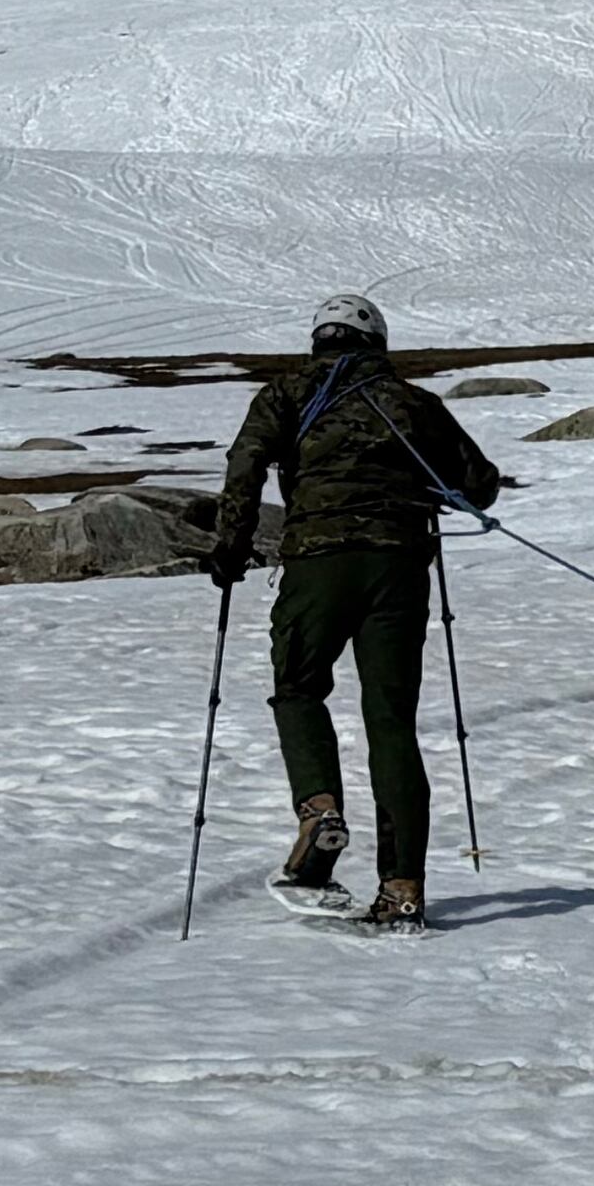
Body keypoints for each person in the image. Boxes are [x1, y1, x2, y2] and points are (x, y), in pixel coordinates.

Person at [204, 293, 503, 930]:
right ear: (378, 343)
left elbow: (246, 464)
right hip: (397, 567)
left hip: (317, 561)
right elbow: (479, 482)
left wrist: (230, 547)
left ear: (318, 340)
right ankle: (400, 891)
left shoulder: (284, 395)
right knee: (390, 721)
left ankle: (319, 811)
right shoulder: (414, 403)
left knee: (299, 689)